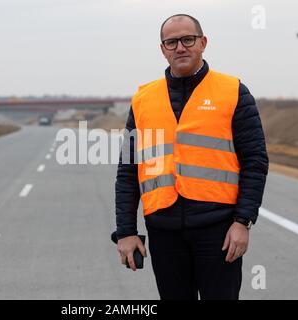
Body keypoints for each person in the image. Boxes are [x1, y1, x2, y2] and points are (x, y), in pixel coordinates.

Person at [114, 14, 269, 300]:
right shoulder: (143, 99)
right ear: (162, 49)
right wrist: (125, 232)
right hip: (164, 233)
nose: (180, 47)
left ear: (203, 43)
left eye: (188, 39)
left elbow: (255, 161)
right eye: (171, 42)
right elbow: (127, 170)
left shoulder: (233, 92)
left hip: (219, 232)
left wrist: (243, 222)